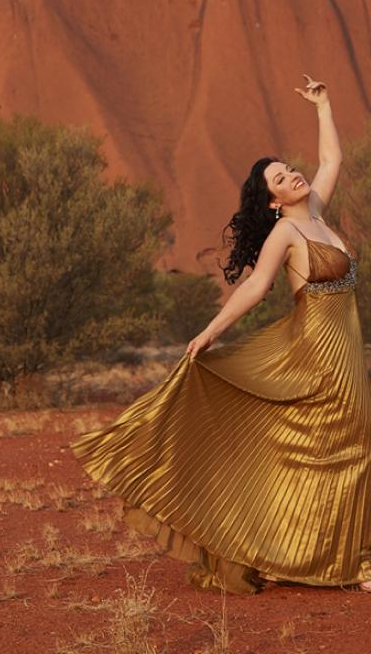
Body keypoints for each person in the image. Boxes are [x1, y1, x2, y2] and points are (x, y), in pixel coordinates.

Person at [71, 75, 371, 594]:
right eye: (282, 178)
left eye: (291, 169)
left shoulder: (317, 212)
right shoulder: (287, 232)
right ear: (273, 200)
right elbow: (256, 285)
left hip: (347, 348)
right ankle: (355, 562)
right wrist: (210, 331)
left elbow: (332, 162)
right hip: (316, 352)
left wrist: (323, 106)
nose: (294, 176)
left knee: (348, 443)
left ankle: (320, 550)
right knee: (351, 443)